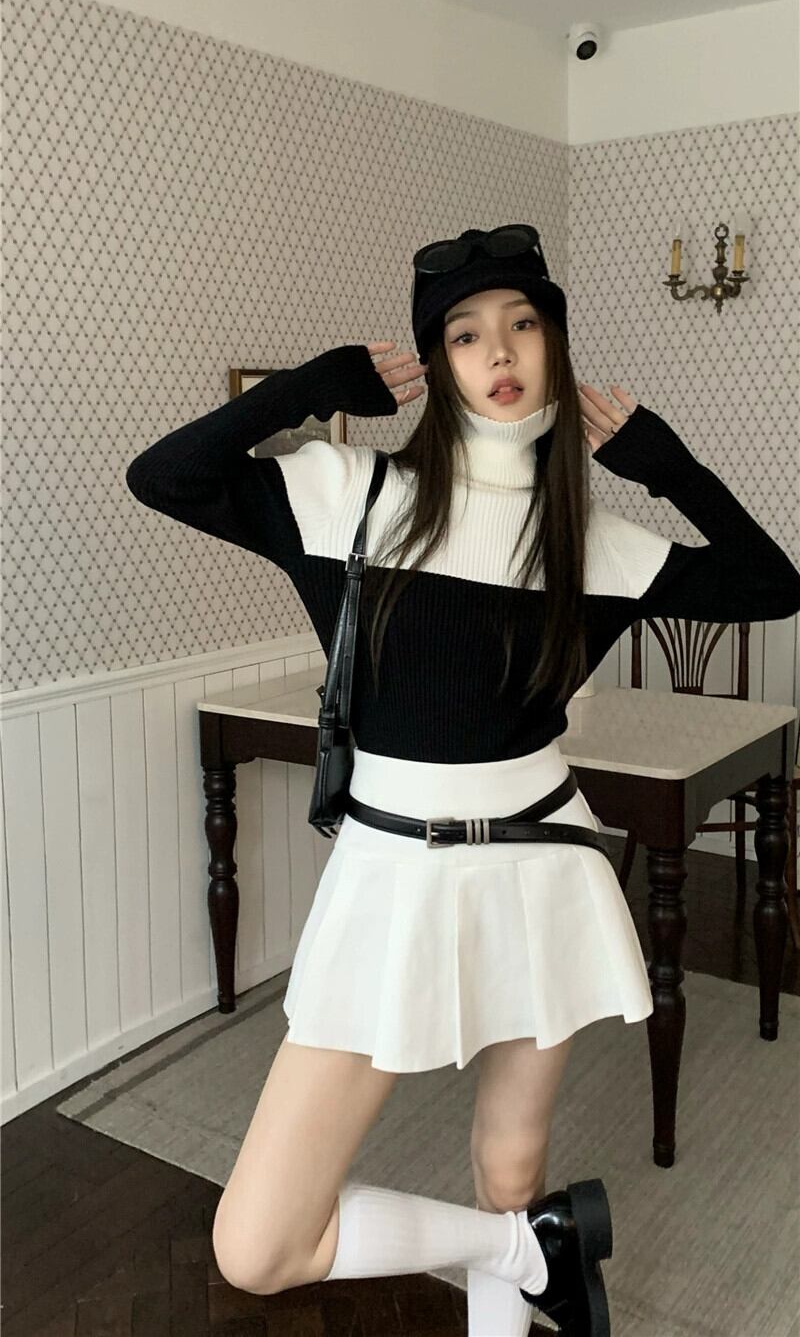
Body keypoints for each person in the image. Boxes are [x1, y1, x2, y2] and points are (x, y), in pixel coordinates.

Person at [125, 223, 800, 1337]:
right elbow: (164, 476)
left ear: (554, 348)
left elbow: (773, 585)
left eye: (524, 324)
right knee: (258, 1244)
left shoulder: (590, 540)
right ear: (437, 364)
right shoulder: (347, 493)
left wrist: (662, 460)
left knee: (510, 1170)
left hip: (542, 865)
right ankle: (527, 1253)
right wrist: (310, 390)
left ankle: (517, 1246)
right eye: (466, 332)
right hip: (390, 876)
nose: (500, 350)